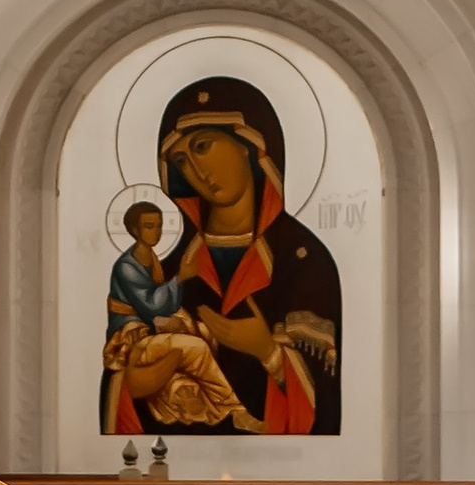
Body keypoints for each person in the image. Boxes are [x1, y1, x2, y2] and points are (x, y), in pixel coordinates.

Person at [105, 78, 343, 437]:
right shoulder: (172, 271)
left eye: (203, 147)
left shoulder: (304, 261)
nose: (197, 173)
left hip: (281, 473)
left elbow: (325, 394)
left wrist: (268, 351)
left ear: (249, 146)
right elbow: (124, 381)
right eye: (181, 161)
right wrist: (135, 381)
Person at [101, 193, 241, 432]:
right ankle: (231, 408)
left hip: (148, 329)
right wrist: (180, 279)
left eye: (159, 226)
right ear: (134, 230)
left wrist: (177, 319)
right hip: (131, 338)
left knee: (208, 332)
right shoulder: (126, 266)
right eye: (149, 226)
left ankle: (206, 405)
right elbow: (151, 305)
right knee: (195, 348)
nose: (156, 232)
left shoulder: (149, 258)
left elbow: (162, 306)